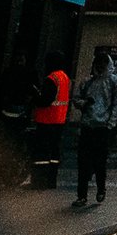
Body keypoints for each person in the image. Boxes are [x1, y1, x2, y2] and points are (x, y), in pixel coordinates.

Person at [71, 52, 117, 208]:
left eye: (103, 63)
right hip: (88, 126)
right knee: (83, 162)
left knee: (100, 162)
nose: (100, 67)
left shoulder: (115, 82)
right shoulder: (88, 82)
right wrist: (83, 103)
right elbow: (76, 98)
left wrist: (110, 124)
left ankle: (101, 188)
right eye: (98, 63)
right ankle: (82, 195)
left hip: (102, 127)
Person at [29, 51, 71, 188]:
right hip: (59, 121)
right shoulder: (65, 78)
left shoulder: (51, 79)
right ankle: (51, 181)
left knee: (41, 154)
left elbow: (45, 101)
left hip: (46, 121)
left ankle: (39, 181)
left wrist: (35, 94)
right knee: (54, 154)